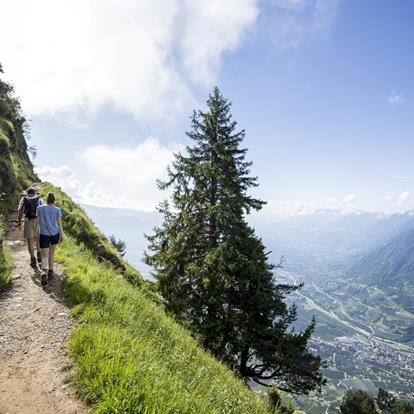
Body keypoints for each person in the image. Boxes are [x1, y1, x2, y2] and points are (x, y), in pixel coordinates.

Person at [35, 192, 64, 286]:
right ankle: (51, 272)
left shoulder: (40, 208)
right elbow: (59, 223)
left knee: (45, 255)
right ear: (54, 200)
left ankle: (44, 271)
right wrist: (61, 235)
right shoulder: (57, 210)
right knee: (52, 253)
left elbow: (37, 222)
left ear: (46, 199)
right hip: (54, 234)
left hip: (43, 234)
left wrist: (36, 232)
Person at [17, 187, 43, 268]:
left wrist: (19, 222)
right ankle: (39, 253)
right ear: (35, 193)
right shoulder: (39, 200)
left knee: (30, 241)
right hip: (37, 220)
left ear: (27, 193)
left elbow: (20, 211)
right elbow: (42, 210)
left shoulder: (23, 199)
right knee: (38, 238)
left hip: (28, 220)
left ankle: (33, 259)